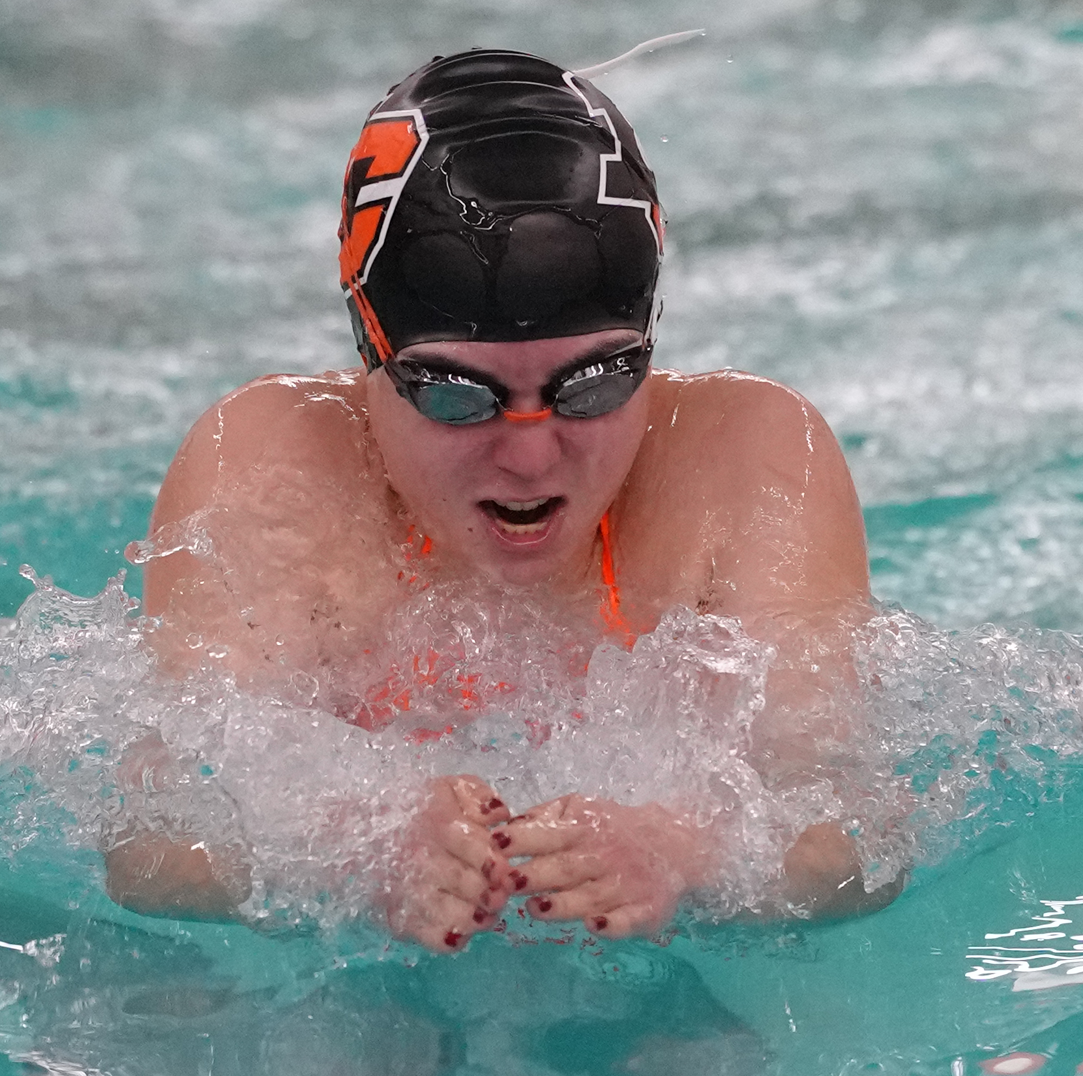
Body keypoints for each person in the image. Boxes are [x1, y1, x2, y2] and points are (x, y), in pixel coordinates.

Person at [105, 49, 895, 951]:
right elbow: (152, 843)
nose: (528, 455)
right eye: (457, 394)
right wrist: (357, 849)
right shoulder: (271, 468)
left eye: (592, 383)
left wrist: (687, 850)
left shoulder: (749, 461)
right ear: (370, 351)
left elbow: (857, 828)